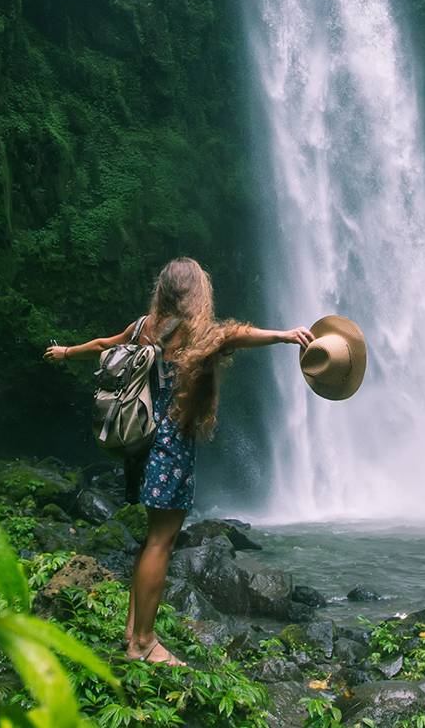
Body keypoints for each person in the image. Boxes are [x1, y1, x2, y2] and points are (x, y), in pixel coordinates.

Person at [43, 256, 312, 665]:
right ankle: (143, 642)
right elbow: (237, 334)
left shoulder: (142, 327)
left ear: (164, 290)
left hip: (141, 442)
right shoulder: (198, 334)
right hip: (170, 447)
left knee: (152, 540)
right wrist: (284, 336)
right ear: (196, 293)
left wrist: (65, 352)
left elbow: (101, 347)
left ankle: (133, 633)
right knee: (161, 542)